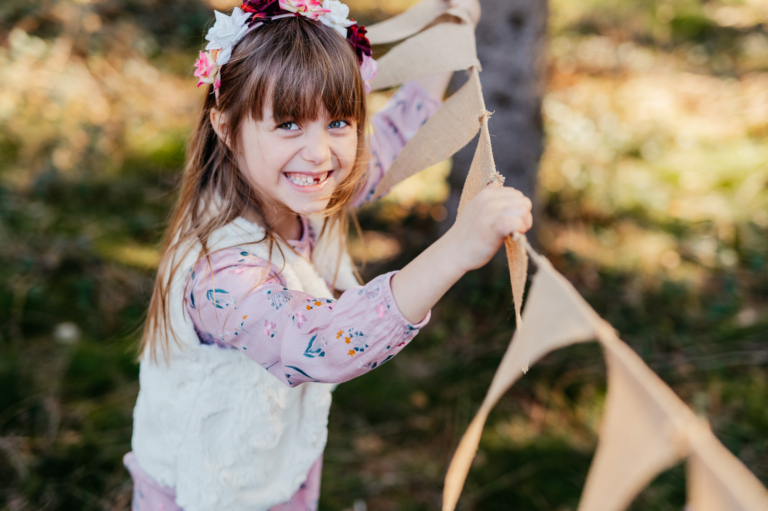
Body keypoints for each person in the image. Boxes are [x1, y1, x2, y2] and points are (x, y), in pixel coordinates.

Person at [124, 0, 532, 509]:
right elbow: (324, 343)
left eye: (339, 121)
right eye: (289, 124)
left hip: (275, 472)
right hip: (201, 494)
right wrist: (457, 249)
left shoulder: (302, 189)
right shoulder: (220, 274)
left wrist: (444, 34)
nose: (319, 152)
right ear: (226, 128)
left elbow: (394, 140)